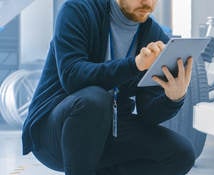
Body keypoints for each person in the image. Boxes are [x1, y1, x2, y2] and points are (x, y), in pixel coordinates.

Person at [22, 0, 196, 174]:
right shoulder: (77, 10)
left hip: (110, 129)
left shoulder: (152, 34)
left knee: (181, 154)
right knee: (94, 100)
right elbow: (72, 76)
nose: (147, 3)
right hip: (55, 134)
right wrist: (135, 65)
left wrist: (173, 98)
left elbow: (148, 114)